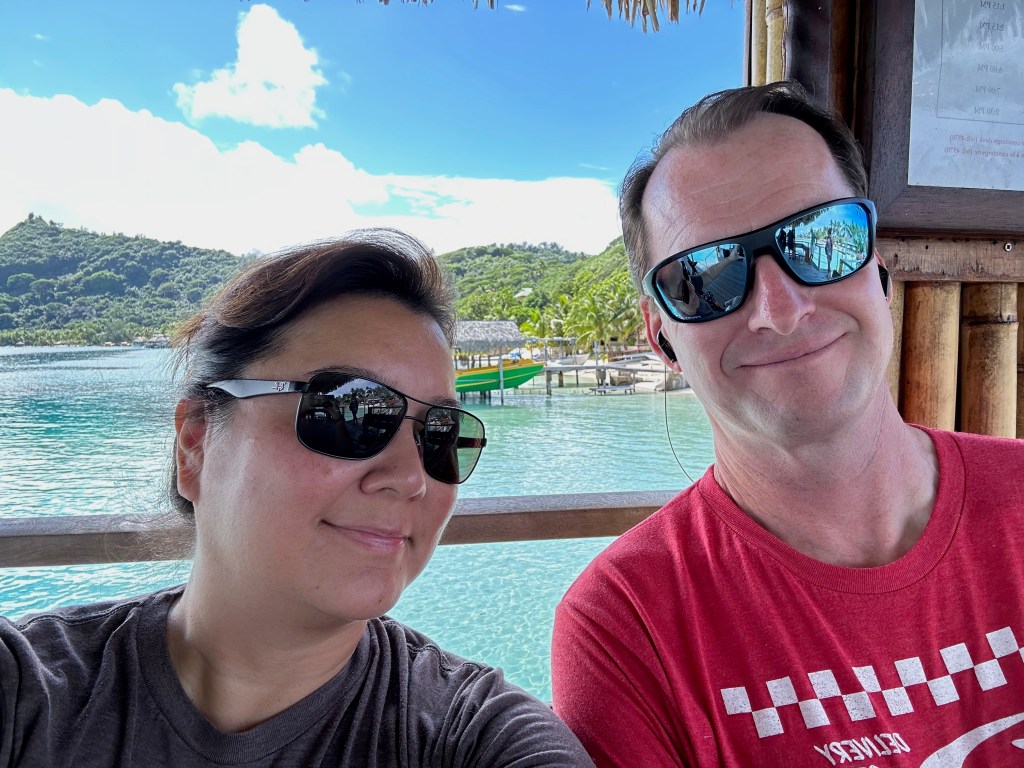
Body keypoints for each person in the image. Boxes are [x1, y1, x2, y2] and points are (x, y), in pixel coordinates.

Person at [551, 82, 1024, 767]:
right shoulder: (627, 627)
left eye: (821, 240)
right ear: (663, 337)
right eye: (706, 277)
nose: (780, 309)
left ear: (876, 266)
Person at [1, 229, 594, 767]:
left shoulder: (477, 738)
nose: (411, 477)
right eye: (347, 410)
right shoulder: (28, 693)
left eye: (441, 434)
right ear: (195, 446)